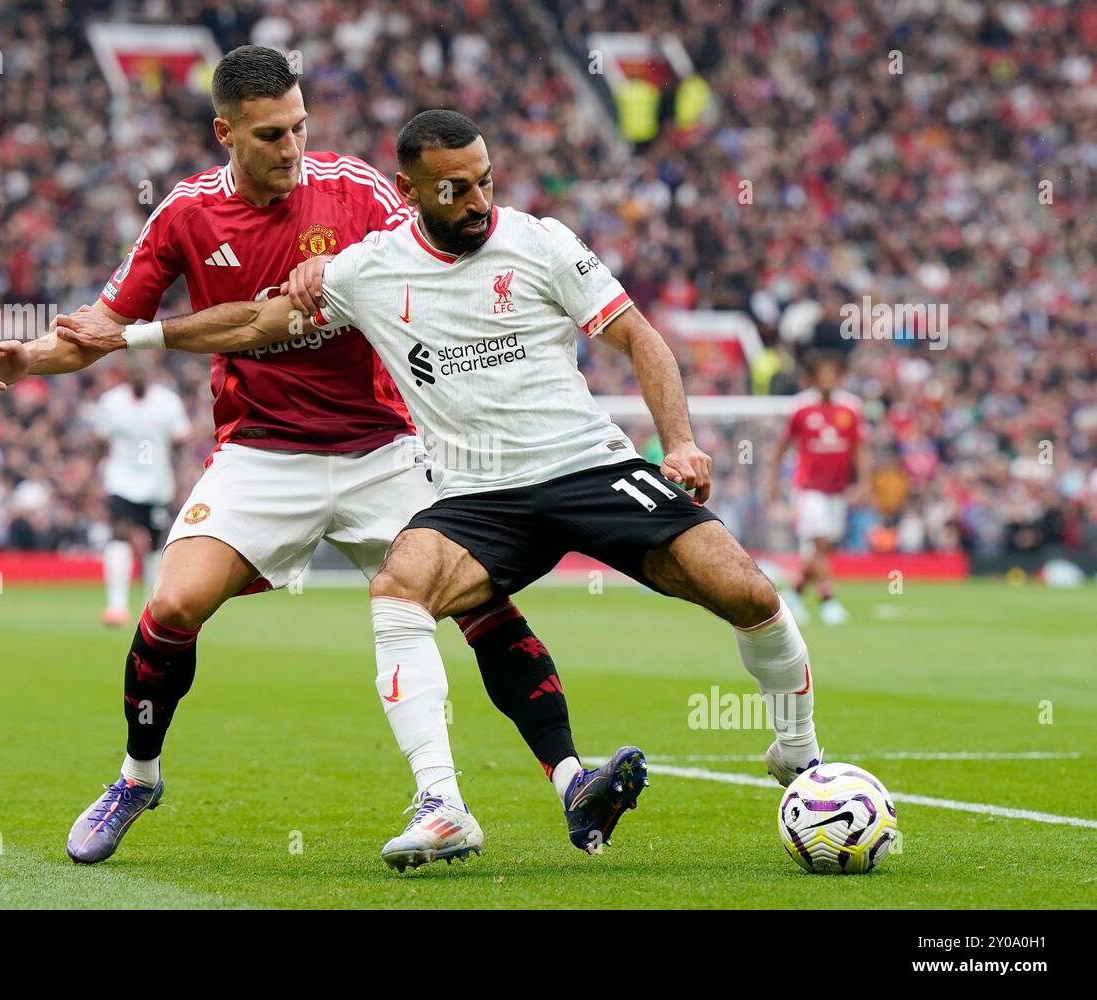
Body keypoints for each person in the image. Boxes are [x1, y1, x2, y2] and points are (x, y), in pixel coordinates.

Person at [53, 109, 825, 847]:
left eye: (486, 179)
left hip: (590, 467)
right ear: (411, 190)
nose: (479, 200)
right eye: (456, 188)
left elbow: (640, 339)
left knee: (749, 594)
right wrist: (136, 335)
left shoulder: (543, 242)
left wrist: (680, 443)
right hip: (478, 497)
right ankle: (443, 804)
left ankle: (798, 755)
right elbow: (257, 323)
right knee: (400, 588)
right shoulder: (369, 270)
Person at [0, 49, 630, 872]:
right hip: (261, 452)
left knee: (479, 603)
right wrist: (28, 359)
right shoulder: (184, 215)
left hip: (383, 446)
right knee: (173, 604)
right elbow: (102, 329)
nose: (291, 148)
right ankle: (138, 777)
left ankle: (558, 778)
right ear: (227, 133)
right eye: (272, 134)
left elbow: (432, 248)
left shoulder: (357, 190)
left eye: (301, 128)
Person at [769, 351, 870, 625]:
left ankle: (793, 595)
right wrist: (773, 487)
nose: (827, 379)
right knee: (821, 543)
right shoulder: (800, 408)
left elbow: (860, 449)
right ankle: (829, 601)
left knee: (822, 550)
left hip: (837, 489)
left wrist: (863, 482)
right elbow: (780, 449)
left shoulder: (851, 408)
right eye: (822, 373)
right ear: (813, 378)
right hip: (808, 488)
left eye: (832, 373)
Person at [93, 359, 193, 626]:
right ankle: (116, 606)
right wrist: (95, 479)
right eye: (134, 371)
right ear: (126, 373)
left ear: (151, 374)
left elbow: (181, 444)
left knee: (154, 544)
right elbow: (100, 442)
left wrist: (181, 482)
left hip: (158, 485)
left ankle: (151, 607)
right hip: (121, 481)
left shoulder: (168, 402)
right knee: (119, 536)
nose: (138, 375)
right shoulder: (111, 402)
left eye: (143, 371)